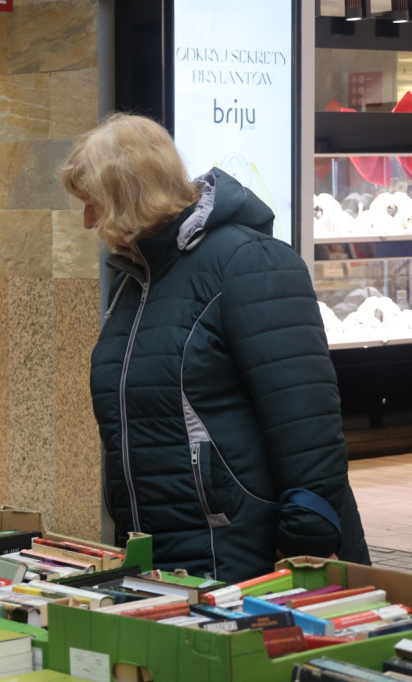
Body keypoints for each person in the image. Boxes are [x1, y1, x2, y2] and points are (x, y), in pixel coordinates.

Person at [60, 113, 370, 582]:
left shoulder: (249, 263)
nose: (87, 222)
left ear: (128, 194)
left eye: (93, 204)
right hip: (160, 554)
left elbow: (307, 427)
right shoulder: (135, 280)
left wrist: (306, 550)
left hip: (244, 556)